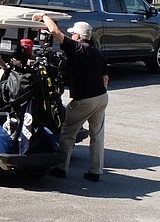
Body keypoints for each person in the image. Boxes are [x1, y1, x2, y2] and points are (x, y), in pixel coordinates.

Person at [32, 14, 108, 183]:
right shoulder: (97, 53)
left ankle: (61, 168)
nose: (71, 35)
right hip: (102, 97)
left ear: (79, 36)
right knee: (97, 135)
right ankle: (95, 171)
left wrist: (44, 16)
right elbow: (105, 79)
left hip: (84, 99)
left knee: (67, 133)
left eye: (73, 33)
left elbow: (53, 31)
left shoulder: (76, 48)